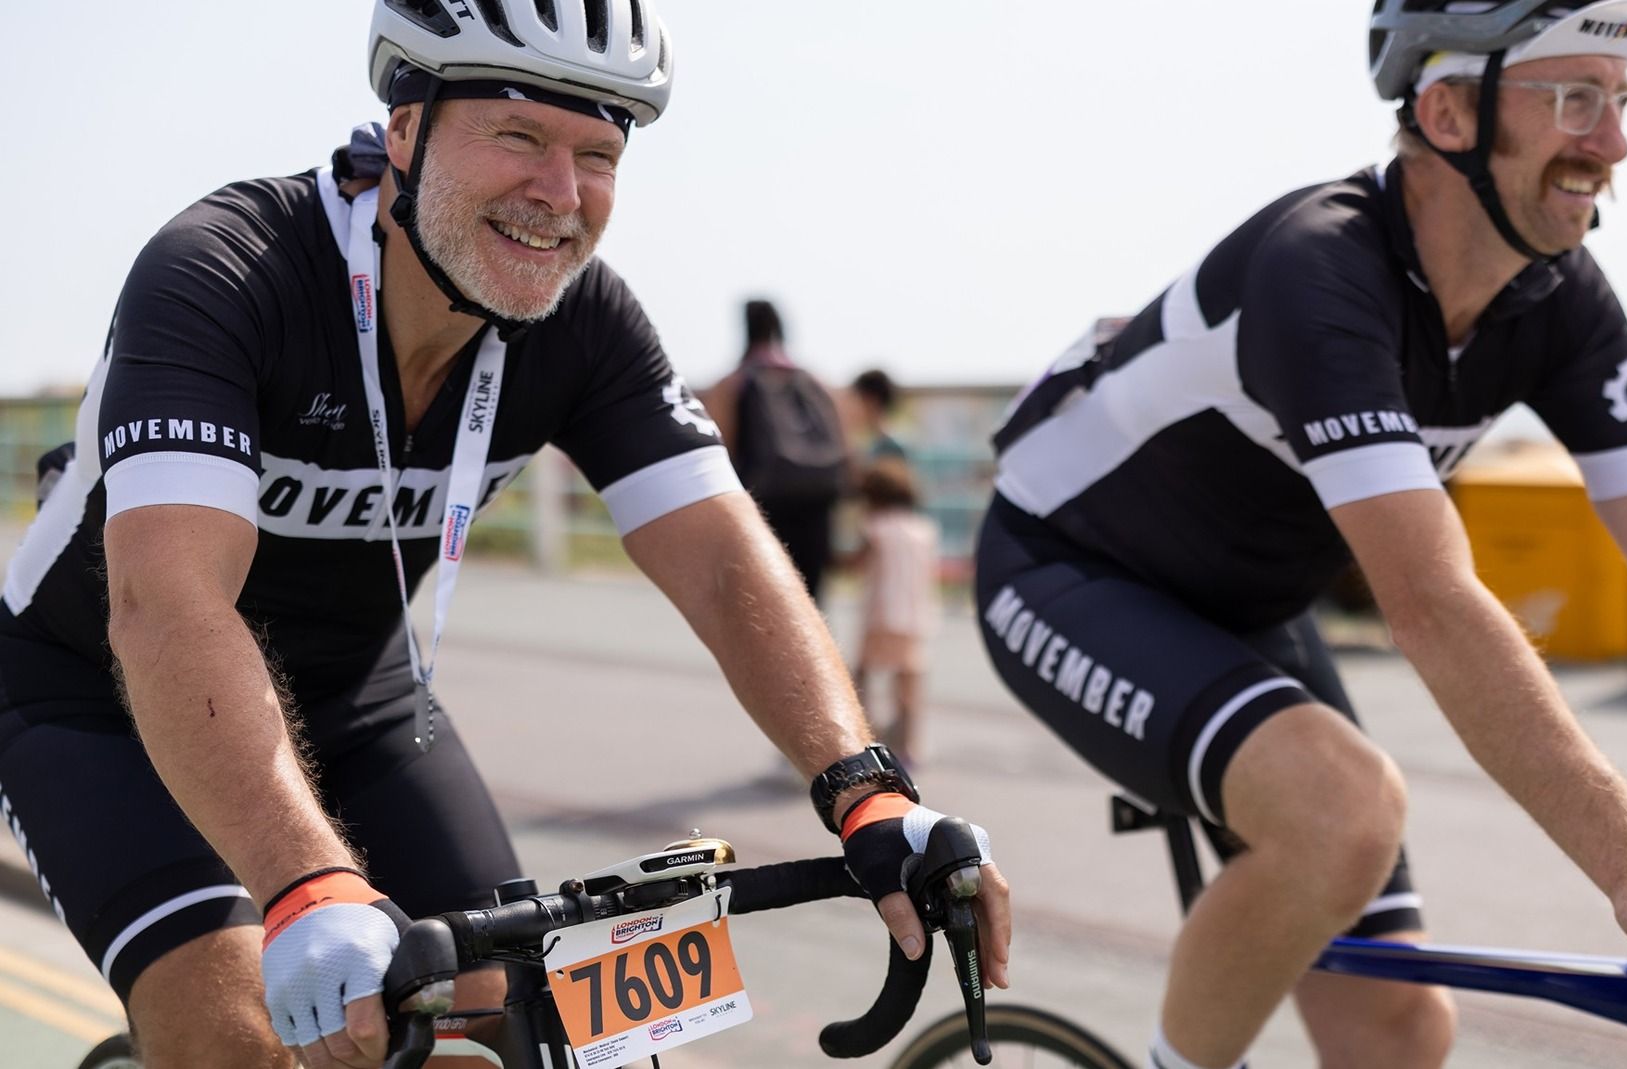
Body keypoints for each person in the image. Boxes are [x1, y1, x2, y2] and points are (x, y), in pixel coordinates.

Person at [0, 3, 1007, 1067]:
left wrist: (866, 791)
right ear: (404, 130)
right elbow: (169, 604)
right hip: (99, 695)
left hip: (359, 700)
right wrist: (308, 884)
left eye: (599, 155)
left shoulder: (585, 322)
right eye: (520, 137)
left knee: (519, 1017)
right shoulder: (226, 272)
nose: (560, 196)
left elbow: (720, 562)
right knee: (235, 1026)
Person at [971, 3, 1627, 1068]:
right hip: (1066, 571)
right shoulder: (1318, 271)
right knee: (1339, 810)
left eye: (1618, 99)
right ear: (1448, 111)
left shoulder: (1558, 299)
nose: (1611, 141)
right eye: (1571, 99)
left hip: (1249, 613)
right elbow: (1430, 601)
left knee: (1399, 1030)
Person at [702, 299, 848, 601]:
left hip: (765, 502)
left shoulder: (735, 383)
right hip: (816, 500)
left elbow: (720, 446)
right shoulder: (812, 380)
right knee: (811, 599)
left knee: (765, 598)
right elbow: (843, 439)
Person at [846, 458, 942, 766]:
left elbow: (856, 566)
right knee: (908, 682)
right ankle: (908, 747)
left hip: (882, 613)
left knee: (861, 674)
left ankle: (863, 739)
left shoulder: (875, 528)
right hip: (915, 615)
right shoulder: (924, 529)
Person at [850, 368, 909, 463]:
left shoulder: (891, 449)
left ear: (871, 401)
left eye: (857, 399)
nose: (853, 407)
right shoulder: (863, 444)